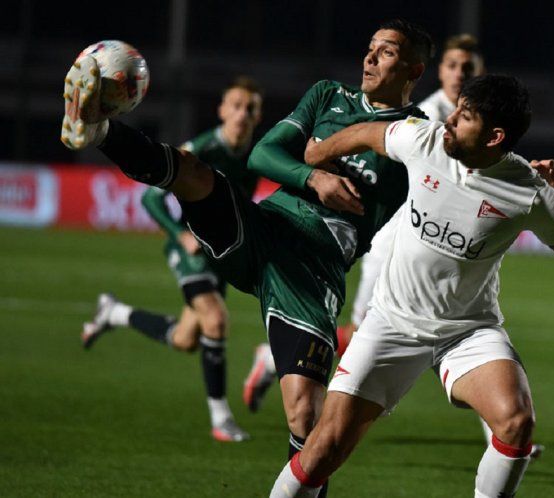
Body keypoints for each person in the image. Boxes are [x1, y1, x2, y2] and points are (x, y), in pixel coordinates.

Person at [62, 18, 434, 494]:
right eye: (369, 48)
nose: (369, 57)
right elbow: (264, 156)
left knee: (305, 414)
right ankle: (99, 130)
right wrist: (311, 176)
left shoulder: (417, 136)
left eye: (386, 53)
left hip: (314, 265)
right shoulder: (327, 96)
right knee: (195, 173)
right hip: (265, 227)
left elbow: (463, 173)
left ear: (413, 70)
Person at [268, 74, 554, 498]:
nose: (450, 119)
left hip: (467, 330)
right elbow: (367, 133)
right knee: (322, 450)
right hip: (391, 324)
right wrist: (316, 155)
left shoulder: (529, 192)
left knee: (516, 422)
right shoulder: (424, 140)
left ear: (494, 136)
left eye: (465, 117)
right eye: (456, 109)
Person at [242, 33, 486, 410]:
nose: (459, 75)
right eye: (453, 66)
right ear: (437, 71)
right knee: (410, 333)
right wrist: (318, 162)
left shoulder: (472, 123)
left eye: (468, 69)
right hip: (389, 242)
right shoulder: (427, 116)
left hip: (424, 243)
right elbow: (374, 138)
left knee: (392, 333)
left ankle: (280, 364)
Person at [80, 77, 263, 442]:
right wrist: (179, 234)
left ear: (258, 117)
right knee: (216, 319)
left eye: (251, 108)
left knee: (185, 339)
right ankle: (221, 418)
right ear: (222, 110)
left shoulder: (255, 156)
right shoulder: (204, 148)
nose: (243, 114)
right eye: (237, 105)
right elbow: (150, 199)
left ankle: (113, 313)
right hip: (191, 250)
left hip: (220, 254)